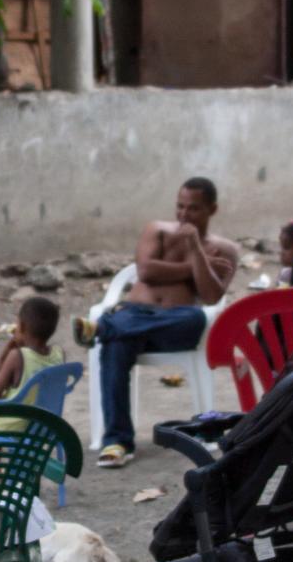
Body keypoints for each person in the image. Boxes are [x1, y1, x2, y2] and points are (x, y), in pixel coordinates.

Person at [74, 176, 238, 467]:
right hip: (136, 312)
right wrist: (195, 266)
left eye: (194, 209)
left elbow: (211, 296)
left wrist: (196, 249)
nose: (184, 215)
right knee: (116, 346)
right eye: (180, 207)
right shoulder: (157, 230)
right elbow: (147, 272)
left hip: (177, 322)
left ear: (212, 210)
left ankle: (103, 328)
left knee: (194, 317)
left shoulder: (224, 249)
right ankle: (117, 443)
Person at [0, 296, 66, 431]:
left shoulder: (17, 356)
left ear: (21, 326)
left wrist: (2, 359)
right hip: (43, 426)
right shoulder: (59, 354)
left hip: (11, 426)